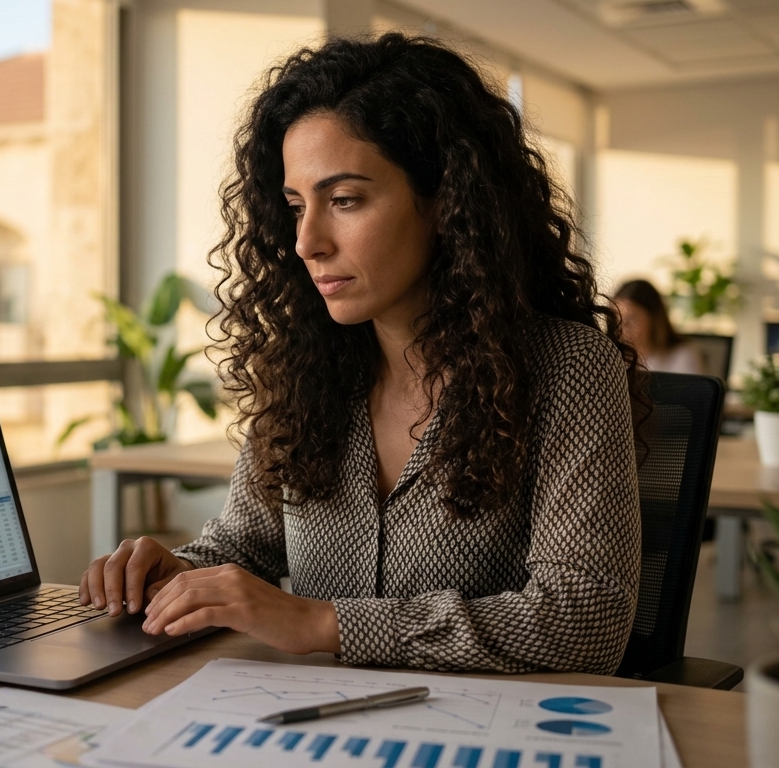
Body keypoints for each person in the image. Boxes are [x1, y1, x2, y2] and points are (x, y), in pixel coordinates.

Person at [78, 34, 644, 675]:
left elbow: (585, 617)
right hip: (314, 726)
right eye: (296, 207)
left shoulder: (568, 368)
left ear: (446, 203)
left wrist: (323, 622)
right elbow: (247, 546)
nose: (307, 242)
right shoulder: (305, 372)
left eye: (344, 200)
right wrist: (178, 573)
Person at [613, 279, 703, 375]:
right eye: (617, 319)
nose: (622, 328)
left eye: (632, 319)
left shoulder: (682, 356)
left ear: (654, 319)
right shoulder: (614, 358)